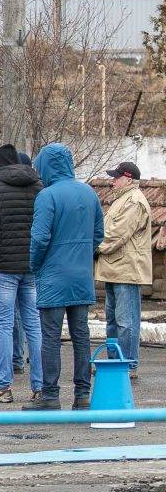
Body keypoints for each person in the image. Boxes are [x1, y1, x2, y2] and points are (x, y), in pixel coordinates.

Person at [24, 143, 104, 411]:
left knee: (51, 337)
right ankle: (82, 394)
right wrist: (82, 255)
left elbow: (39, 238)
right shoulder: (89, 193)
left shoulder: (47, 196)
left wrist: (35, 266)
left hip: (53, 276)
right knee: (81, 336)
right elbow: (98, 234)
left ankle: (50, 395)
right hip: (81, 276)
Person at [0, 144, 44, 404]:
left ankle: (3, 384)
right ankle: (40, 386)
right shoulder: (38, 186)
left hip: (2, 266)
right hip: (32, 266)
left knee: (3, 324)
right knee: (34, 324)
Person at [96, 161, 151, 376]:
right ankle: (114, 363)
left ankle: (127, 365)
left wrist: (94, 248)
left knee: (126, 322)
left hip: (126, 270)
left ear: (128, 179)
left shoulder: (134, 201)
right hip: (115, 268)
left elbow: (116, 234)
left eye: (116, 177)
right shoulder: (122, 200)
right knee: (113, 321)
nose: (112, 181)